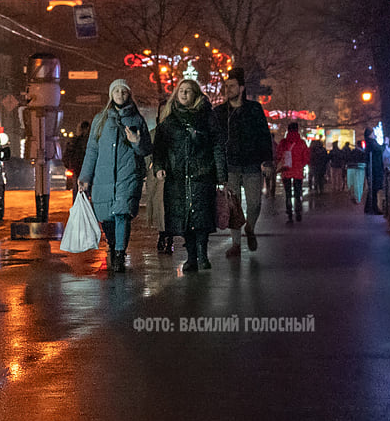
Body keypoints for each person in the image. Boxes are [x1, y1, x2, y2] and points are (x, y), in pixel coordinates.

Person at [78, 78, 152, 273]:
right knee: (107, 218)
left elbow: (146, 150)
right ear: (111, 94)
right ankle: (112, 246)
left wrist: (137, 141)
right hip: (103, 177)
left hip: (127, 176)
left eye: (124, 91)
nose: (120, 94)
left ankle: (119, 253)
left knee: (122, 213)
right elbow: (92, 150)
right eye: (117, 91)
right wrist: (85, 177)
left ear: (129, 94)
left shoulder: (137, 119)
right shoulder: (100, 119)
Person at [153, 78, 224, 271]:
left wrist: (220, 173)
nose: (184, 94)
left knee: (201, 217)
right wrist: (159, 167)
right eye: (181, 90)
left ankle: (202, 253)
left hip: (202, 173)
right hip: (177, 177)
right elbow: (159, 148)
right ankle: (191, 256)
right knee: (183, 219)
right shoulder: (169, 120)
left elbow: (217, 144)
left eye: (188, 91)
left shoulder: (207, 117)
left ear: (196, 94)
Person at [214, 67, 274, 257]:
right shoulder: (220, 112)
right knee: (233, 206)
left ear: (241, 88)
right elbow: (214, 139)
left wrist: (267, 162)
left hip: (251, 164)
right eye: (225, 86)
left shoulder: (254, 110)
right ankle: (236, 244)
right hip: (230, 166)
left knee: (255, 203)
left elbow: (264, 136)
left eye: (231, 86)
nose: (227, 90)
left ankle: (250, 227)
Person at [276, 122, 310, 223]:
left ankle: (289, 214)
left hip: (286, 171)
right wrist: (300, 165)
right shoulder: (302, 143)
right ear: (297, 130)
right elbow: (306, 157)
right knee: (297, 193)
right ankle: (298, 212)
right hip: (298, 172)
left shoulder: (283, 142)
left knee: (288, 194)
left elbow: (278, 155)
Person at [62, 121, 91, 200]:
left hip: (77, 169)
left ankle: (78, 209)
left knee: (77, 191)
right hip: (87, 170)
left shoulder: (73, 141)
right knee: (86, 191)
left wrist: (70, 166)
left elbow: (66, 156)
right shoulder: (90, 141)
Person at [363, 127, 385, 215]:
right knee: (374, 189)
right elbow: (379, 150)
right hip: (375, 170)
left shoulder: (370, 143)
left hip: (373, 169)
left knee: (372, 189)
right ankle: (373, 207)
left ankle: (368, 207)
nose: (374, 135)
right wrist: (385, 144)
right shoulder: (371, 143)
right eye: (373, 133)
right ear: (370, 135)